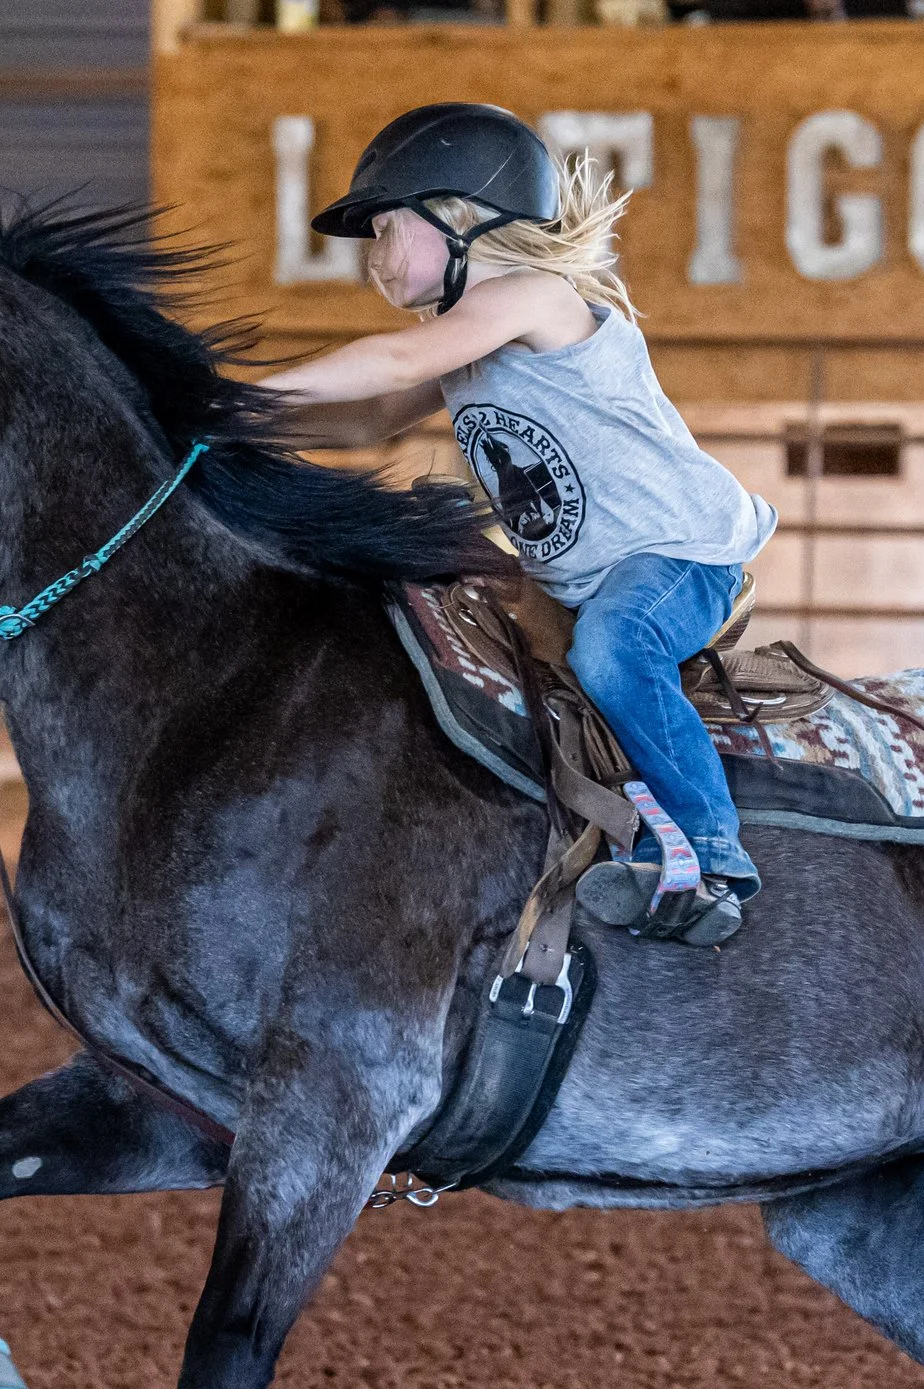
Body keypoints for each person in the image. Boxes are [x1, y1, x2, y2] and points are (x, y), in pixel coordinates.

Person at [254, 102, 778, 947]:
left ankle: (714, 857)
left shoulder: (532, 296)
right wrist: (232, 429)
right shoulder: (463, 337)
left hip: (676, 555)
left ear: (460, 217)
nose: (376, 258)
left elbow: (392, 363)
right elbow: (366, 423)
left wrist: (239, 392)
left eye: (387, 229)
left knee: (611, 650)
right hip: (585, 575)